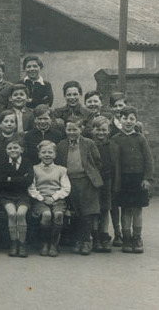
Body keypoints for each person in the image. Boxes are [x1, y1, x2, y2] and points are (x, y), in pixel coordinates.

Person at [56, 116, 102, 255]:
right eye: (69, 129)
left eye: (75, 129)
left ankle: (86, 241)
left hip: (86, 182)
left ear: (81, 129)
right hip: (69, 181)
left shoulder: (89, 143)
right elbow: (59, 163)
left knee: (86, 213)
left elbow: (97, 162)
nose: (71, 132)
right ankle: (77, 240)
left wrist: (91, 175)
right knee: (75, 212)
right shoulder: (61, 145)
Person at [112, 106, 153, 253]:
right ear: (120, 120)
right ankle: (127, 239)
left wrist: (147, 178)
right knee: (125, 209)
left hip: (138, 179)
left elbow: (149, 160)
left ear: (136, 121)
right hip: (122, 179)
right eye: (125, 118)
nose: (128, 121)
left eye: (132, 119)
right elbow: (113, 161)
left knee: (137, 210)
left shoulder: (140, 139)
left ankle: (137, 238)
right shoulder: (115, 139)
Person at [28, 140, 70, 257]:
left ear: (55, 155)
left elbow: (66, 188)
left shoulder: (61, 170)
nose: (47, 155)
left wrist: (54, 197)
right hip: (40, 199)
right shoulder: (34, 169)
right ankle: (44, 243)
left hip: (57, 199)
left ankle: (54, 244)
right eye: (44, 152)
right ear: (39, 154)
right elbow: (31, 187)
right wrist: (41, 198)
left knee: (58, 215)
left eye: (50, 152)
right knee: (46, 215)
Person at [0, 136, 33, 257]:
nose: (13, 150)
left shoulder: (27, 162)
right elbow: (0, 181)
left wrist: (10, 179)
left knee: (21, 214)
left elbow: (28, 180)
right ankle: (14, 242)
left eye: (15, 147)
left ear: (21, 149)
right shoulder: (2, 163)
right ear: (6, 150)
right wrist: (20, 178)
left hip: (23, 195)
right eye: (9, 148)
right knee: (12, 214)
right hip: (7, 195)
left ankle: (22, 243)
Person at [90, 116, 115, 252]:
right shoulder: (89, 144)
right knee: (94, 210)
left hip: (107, 181)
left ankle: (104, 235)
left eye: (104, 130)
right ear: (92, 130)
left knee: (105, 209)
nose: (101, 133)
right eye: (98, 130)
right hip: (92, 182)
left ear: (109, 130)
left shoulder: (112, 146)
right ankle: (96, 238)